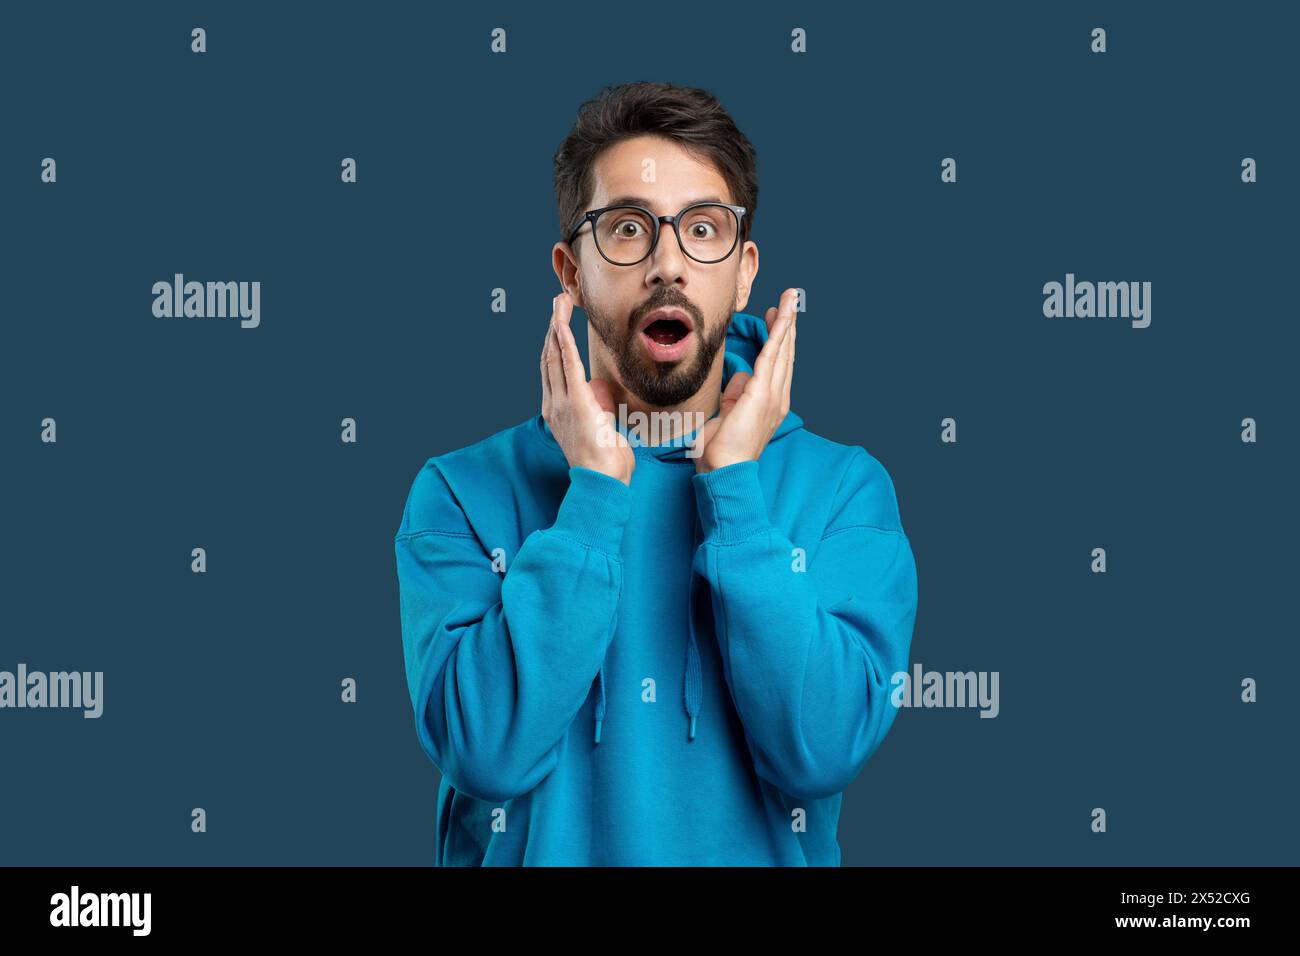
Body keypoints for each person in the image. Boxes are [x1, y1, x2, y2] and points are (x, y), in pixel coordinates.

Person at [394, 80, 918, 865]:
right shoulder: (459, 493)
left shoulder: (844, 490)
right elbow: (485, 755)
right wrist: (595, 500)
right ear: (571, 272)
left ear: (743, 273)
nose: (667, 264)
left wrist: (734, 490)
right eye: (629, 229)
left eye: (702, 229)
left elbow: (821, 752)